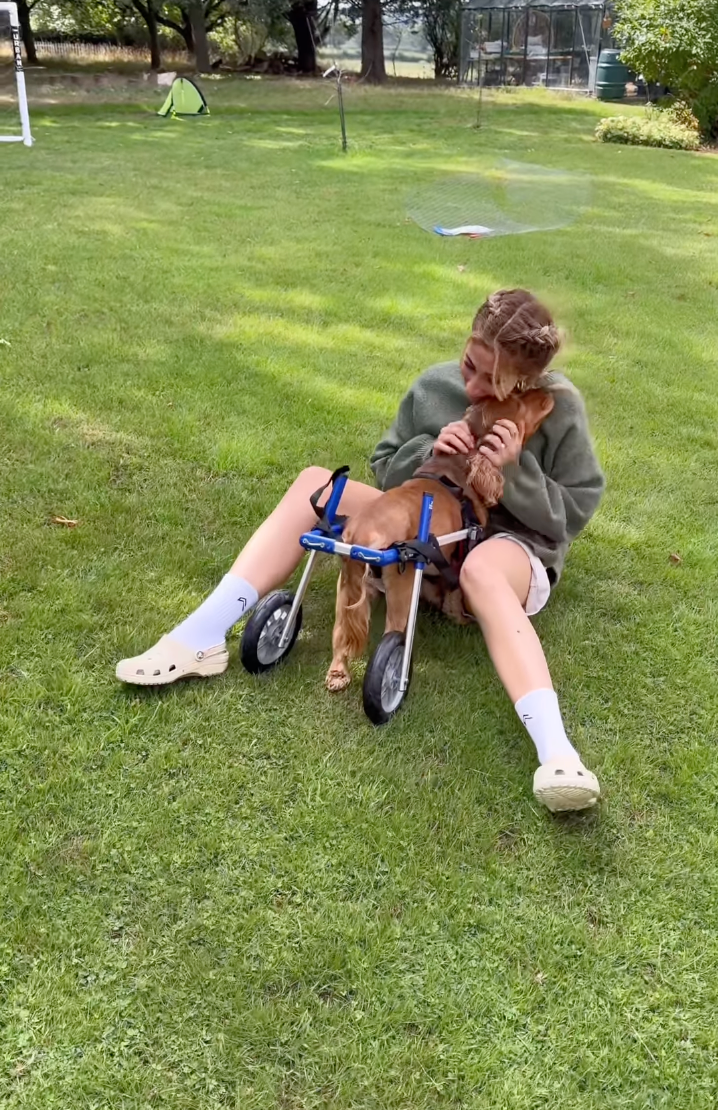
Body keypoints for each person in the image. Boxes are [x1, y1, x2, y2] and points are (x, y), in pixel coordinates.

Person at [116, 289, 605, 813]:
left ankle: (557, 752)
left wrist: (515, 469)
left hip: (506, 548)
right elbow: (386, 463)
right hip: (425, 524)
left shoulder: (558, 408)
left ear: (527, 382)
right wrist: (430, 451)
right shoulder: (434, 386)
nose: (474, 387)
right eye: (471, 366)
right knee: (315, 483)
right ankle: (201, 636)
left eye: (496, 383)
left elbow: (573, 513)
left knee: (482, 569)